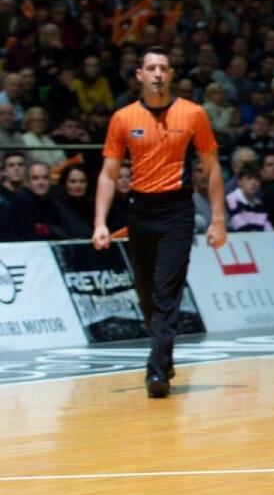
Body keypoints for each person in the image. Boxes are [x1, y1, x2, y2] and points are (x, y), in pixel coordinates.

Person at [92, 46, 227, 399]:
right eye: (150, 68)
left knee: (167, 292)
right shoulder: (122, 118)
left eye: (163, 68)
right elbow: (108, 174)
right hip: (140, 212)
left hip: (177, 212)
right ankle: (164, 357)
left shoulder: (193, 113)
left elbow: (211, 168)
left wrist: (217, 219)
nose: (156, 74)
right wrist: (100, 222)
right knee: (147, 295)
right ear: (139, 74)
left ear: (170, 75)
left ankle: (156, 372)